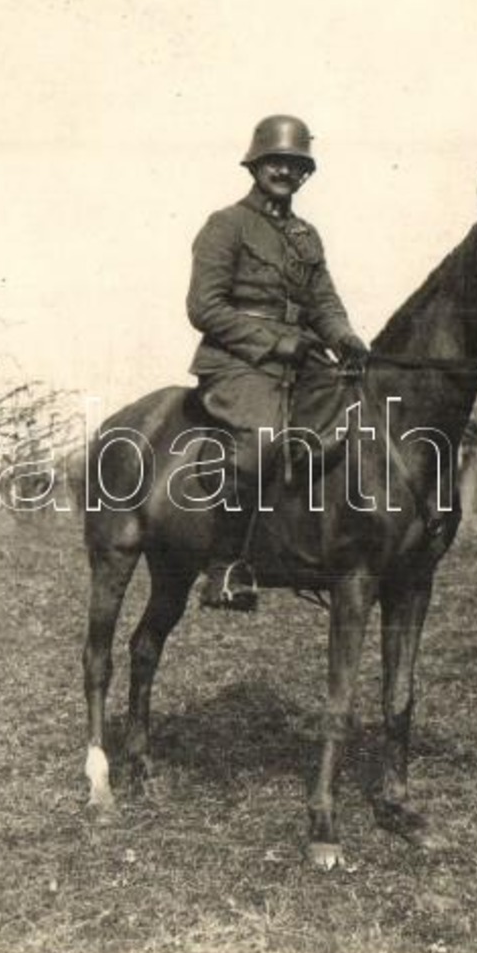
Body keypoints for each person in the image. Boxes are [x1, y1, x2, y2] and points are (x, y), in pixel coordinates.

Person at [186, 114, 368, 606]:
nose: (284, 173)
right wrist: (275, 342)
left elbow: (323, 302)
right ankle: (225, 568)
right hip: (237, 362)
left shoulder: (307, 237)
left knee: (356, 417)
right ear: (256, 164)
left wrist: (345, 337)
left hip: (302, 359)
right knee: (263, 441)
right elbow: (204, 307)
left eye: (294, 164)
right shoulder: (226, 225)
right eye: (275, 162)